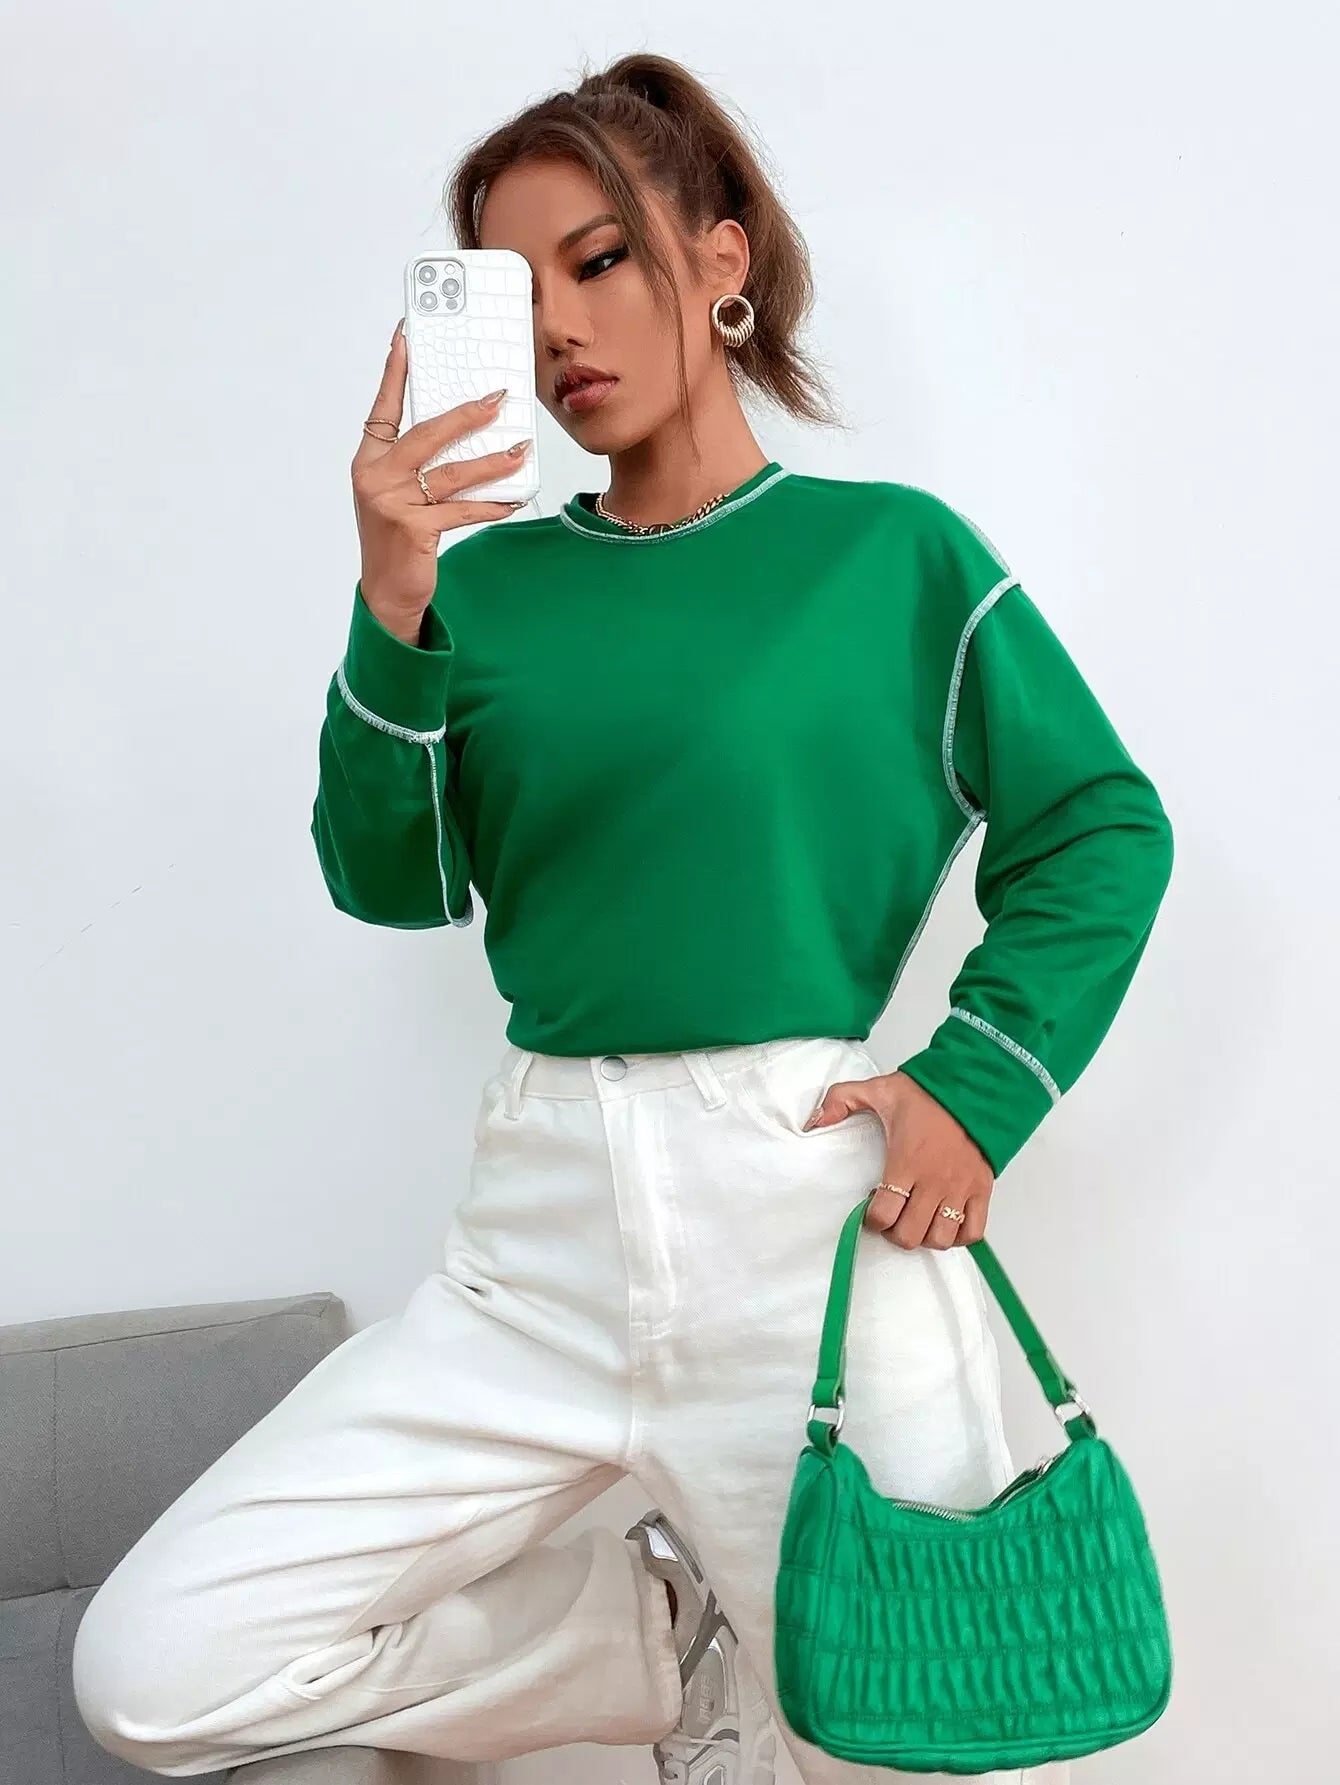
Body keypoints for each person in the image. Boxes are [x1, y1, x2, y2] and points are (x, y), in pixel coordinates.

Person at [71, 49, 1174, 1785]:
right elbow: (393, 880)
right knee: (157, 1664)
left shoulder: (891, 558)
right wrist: (391, 594)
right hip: (538, 1245)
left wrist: (975, 1088)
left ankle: (738, 1647)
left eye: (598, 261)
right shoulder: (485, 586)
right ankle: (652, 1635)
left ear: (720, 262)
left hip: (807, 1220)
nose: (561, 330)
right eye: (513, 297)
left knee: (915, 1729)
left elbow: (1100, 820)